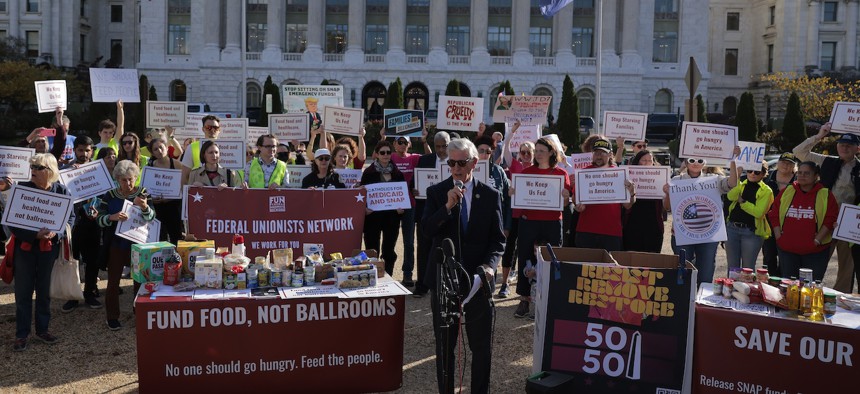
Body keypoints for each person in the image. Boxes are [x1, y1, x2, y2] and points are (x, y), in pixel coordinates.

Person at [422, 137, 504, 394]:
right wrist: (447, 206)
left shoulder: (490, 195)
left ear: (474, 162)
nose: (456, 168)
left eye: (461, 163)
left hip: (478, 280)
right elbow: (426, 230)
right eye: (451, 163)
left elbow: (498, 240)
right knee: (446, 347)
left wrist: (490, 267)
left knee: (481, 347)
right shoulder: (436, 192)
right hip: (444, 279)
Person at [9, 153, 76, 351]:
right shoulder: (21, 189)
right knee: (23, 292)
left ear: (50, 171)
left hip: (49, 250)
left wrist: (57, 233)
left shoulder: (62, 191)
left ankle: (43, 329)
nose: (33, 171)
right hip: (25, 249)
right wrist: (34, 235)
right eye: (32, 167)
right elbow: (12, 222)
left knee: (44, 291)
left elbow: (71, 219)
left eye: (38, 168)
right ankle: (22, 334)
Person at [793, 123, 859, 293]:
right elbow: (799, 152)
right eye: (841, 144)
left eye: (849, 145)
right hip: (825, 219)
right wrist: (819, 135)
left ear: (857, 148)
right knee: (817, 259)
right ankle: (811, 292)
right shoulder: (827, 161)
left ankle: (840, 298)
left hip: (849, 222)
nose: (844, 148)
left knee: (847, 265)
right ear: (837, 146)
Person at [511, 136, 572, 318]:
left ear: (552, 152)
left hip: (552, 222)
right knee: (525, 256)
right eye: (536, 151)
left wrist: (566, 195)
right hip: (529, 221)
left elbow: (565, 202)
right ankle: (524, 299)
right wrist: (513, 193)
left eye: (541, 151)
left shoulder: (561, 174)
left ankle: (548, 299)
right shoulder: (525, 172)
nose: (537, 154)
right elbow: (517, 201)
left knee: (551, 259)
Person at [663, 153, 739, 284]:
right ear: (686, 163)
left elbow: (732, 183)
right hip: (682, 234)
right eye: (692, 160)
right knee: (682, 274)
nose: (696, 163)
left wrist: (733, 160)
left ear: (705, 163)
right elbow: (667, 207)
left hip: (708, 236)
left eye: (700, 160)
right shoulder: (676, 180)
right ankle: (684, 301)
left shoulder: (714, 179)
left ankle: (700, 302)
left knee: (706, 272)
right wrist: (668, 194)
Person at [97, 160, 155, 330]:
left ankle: (140, 313)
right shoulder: (109, 196)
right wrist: (111, 217)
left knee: (139, 281)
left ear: (136, 178)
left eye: (131, 179)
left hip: (138, 244)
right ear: (117, 179)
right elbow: (99, 220)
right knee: (113, 282)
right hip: (116, 244)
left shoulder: (143, 192)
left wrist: (145, 207)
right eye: (123, 180)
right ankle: (112, 317)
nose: (128, 183)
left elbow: (152, 218)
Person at [768, 161, 837, 281]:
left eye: (806, 173)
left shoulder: (825, 194)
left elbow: (830, 219)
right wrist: (779, 237)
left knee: (810, 290)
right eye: (799, 172)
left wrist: (817, 240)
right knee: (789, 289)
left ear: (816, 176)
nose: (802, 176)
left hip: (815, 253)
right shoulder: (787, 191)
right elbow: (774, 214)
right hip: (787, 250)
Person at [60, 136, 105, 313]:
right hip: (72, 223)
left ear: (91, 151)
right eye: (80, 150)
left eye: (87, 150)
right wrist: (71, 172)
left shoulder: (98, 169)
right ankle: (72, 296)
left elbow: (103, 195)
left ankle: (90, 293)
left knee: (92, 260)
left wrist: (98, 209)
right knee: (72, 260)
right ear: (74, 150)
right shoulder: (65, 170)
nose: (84, 154)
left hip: (92, 222)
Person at [573, 138, 635, 251]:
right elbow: (575, 200)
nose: (599, 156)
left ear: (611, 154)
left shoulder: (619, 174)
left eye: (603, 153)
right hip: (586, 231)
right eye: (596, 153)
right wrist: (578, 206)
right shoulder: (583, 173)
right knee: (586, 267)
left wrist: (631, 193)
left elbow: (627, 205)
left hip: (611, 232)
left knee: (610, 268)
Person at [413, 131, 451, 297]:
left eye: (445, 146)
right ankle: (422, 285)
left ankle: (446, 285)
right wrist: (414, 189)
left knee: (448, 249)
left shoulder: (455, 161)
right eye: (438, 146)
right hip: (427, 212)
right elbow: (414, 181)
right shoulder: (425, 160)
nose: (441, 150)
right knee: (424, 249)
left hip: (449, 212)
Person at [498, 124, 534, 299]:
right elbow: (505, 148)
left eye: (528, 152)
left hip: (530, 215)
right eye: (523, 152)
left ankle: (525, 287)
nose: (525, 155)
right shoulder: (515, 165)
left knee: (526, 250)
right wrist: (511, 132)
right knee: (509, 248)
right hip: (513, 214)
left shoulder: (537, 169)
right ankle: (504, 284)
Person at [360, 141, 405, 275]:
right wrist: (365, 209)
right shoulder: (368, 172)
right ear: (377, 154)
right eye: (382, 152)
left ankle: (388, 276)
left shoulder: (397, 173)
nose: (385, 155)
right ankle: (372, 275)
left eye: (388, 152)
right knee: (372, 249)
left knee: (389, 250)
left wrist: (401, 209)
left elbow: (401, 195)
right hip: (373, 218)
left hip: (391, 218)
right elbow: (362, 194)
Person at [475, 135, 512, 296]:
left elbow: (508, 199)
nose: (484, 154)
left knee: (491, 257)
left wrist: (507, 225)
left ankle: (488, 292)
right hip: (475, 222)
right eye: (481, 151)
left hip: (495, 222)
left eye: (488, 152)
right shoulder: (469, 170)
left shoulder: (498, 171)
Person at [725, 161, 774, 274]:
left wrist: (742, 202)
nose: (752, 174)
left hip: (751, 232)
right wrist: (737, 178)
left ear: (763, 174)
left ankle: (746, 290)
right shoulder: (741, 184)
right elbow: (730, 196)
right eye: (749, 171)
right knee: (732, 269)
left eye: (757, 172)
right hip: (732, 228)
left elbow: (758, 213)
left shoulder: (767, 191)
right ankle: (731, 291)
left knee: (748, 269)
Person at [622, 149, 666, 253]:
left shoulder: (661, 178)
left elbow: (666, 207)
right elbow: (626, 206)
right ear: (637, 162)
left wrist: (667, 193)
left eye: (650, 160)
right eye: (643, 160)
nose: (647, 163)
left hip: (653, 227)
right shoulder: (628, 178)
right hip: (632, 225)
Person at [762, 153, 798, 277]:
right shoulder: (767, 177)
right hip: (767, 223)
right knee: (769, 256)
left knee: (786, 257)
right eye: (783, 162)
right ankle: (770, 282)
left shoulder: (798, 180)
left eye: (789, 163)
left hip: (789, 224)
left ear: (794, 166)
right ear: (778, 162)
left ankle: (783, 283)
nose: (785, 165)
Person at [146, 137, 185, 244]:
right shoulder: (150, 166)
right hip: (157, 206)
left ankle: (178, 259)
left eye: (161, 147)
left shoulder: (177, 164)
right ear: (152, 152)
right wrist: (152, 199)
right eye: (155, 149)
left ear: (167, 148)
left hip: (174, 206)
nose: (159, 151)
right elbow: (147, 189)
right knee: (159, 235)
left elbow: (183, 186)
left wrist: (171, 197)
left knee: (176, 235)